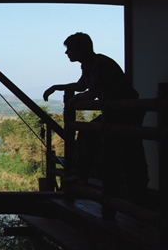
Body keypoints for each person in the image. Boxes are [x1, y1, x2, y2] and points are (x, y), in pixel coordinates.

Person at [43, 33, 148, 208]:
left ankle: (130, 195)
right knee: (126, 151)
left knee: (126, 152)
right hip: (118, 112)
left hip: (125, 112)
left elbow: (90, 92)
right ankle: (131, 193)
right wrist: (57, 87)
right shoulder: (91, 64)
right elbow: (82, 85)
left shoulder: (100, 64)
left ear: (80, 49)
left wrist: (73, 100)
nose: (66, 53)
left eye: (69, 49)